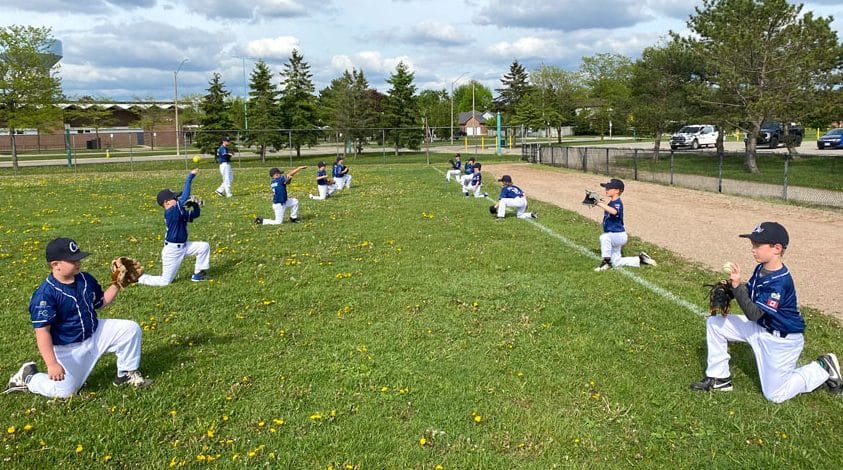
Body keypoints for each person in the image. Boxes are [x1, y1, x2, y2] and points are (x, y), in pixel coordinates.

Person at [691, 222, 842, 402]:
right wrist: (732, 290)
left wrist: (737, 287)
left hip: (780, 341)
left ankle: (823, 367)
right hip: (760, 328)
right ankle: (719, 378)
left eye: (757, 245)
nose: (753, 249)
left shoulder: (780, 282)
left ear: (776, 248)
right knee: (715, 324)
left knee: (775, 395)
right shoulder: (761, 268)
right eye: (753, 244)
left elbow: (754, 314)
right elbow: (753, 294)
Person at [5, 237, 150, 398]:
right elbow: (42, 332)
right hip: (69, 348)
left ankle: (125, 374)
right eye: (72, 260)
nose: (78, 262)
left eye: (78, 258)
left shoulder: (85, 279)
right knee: (65, 392)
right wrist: (52, 364)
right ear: (55, 265)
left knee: (129, 329)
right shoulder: (45, 295)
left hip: (95, 333)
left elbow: (101, 302)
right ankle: (29, 377)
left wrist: (117, 285)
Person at [138, 169, 211, 285]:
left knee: (204, 247)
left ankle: (198, 274)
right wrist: (190, 177)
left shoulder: (178, 212)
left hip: (183, 246)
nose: (177, 199)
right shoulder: (171, 212)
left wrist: (195, 205)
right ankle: (139, 278)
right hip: (172, 251)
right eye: (174, 198)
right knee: (165, 282)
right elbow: (185, 195)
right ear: (166, 202)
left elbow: (195, 215)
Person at [593, 178, 656, 271]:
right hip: (613, 236)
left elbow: (614, 211)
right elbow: (609, 209)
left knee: (604, 238)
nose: (606, 189)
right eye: (606, 188)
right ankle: (641, 259)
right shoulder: (612, 202)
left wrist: (598, 203)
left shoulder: (618, 203)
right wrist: (601, 202)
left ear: (617, 191)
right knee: (616, 262)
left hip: (618, 235)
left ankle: (606, 262)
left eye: (609, 188)